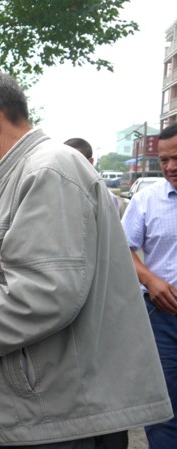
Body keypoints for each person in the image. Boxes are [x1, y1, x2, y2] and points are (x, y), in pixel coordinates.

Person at [0, 69, 171, 448]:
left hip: (62, 418)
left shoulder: (47, 171)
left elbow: (43, 296)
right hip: (52, 409)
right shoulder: (20, 176)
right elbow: (25, 286)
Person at [121, 123, 177, 449]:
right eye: (164, 160)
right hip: (161, 318)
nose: (170, 167)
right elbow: (122, 249)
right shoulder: (147, 200)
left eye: (176, 158)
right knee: (164, 408)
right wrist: (149, 279)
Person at [64, 137, 120, 210]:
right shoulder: (52, 193)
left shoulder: (106, 198)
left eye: (76, 160)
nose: (70, 165)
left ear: (90, 162)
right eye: (65, 160)